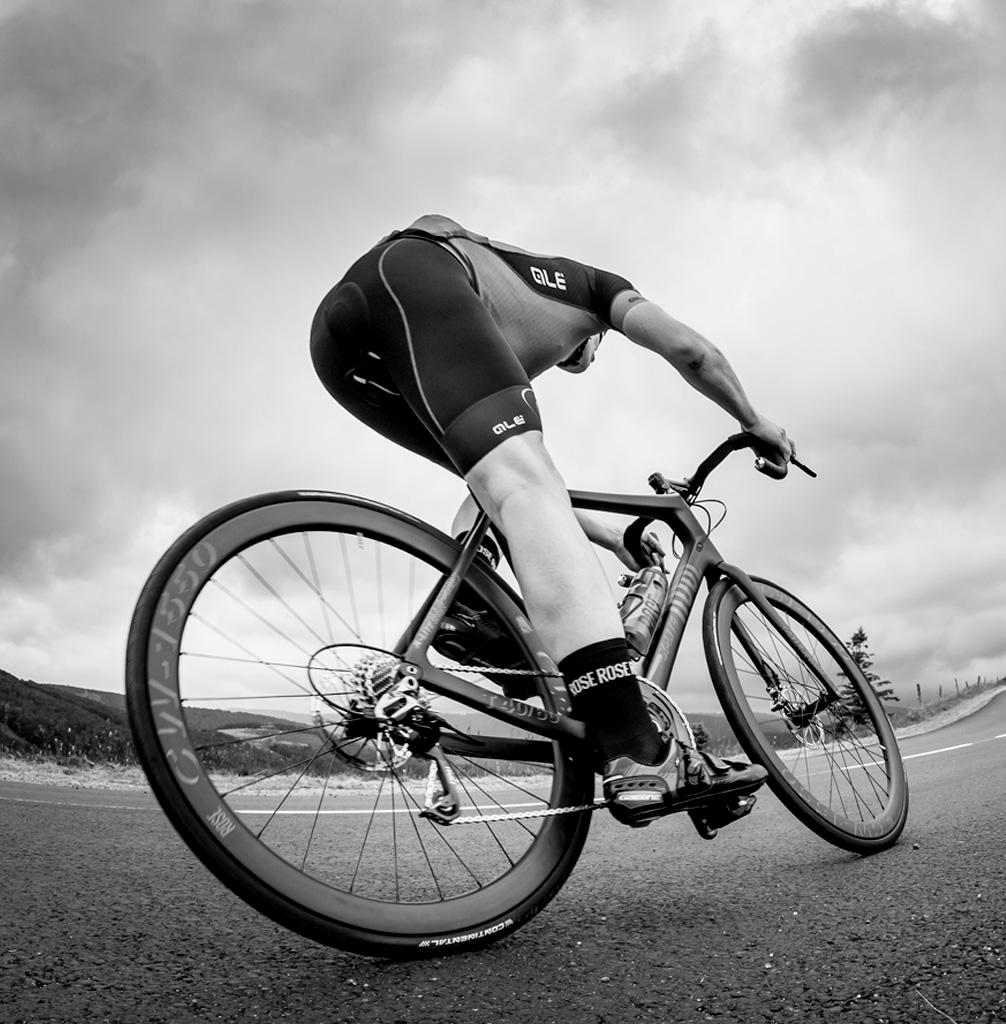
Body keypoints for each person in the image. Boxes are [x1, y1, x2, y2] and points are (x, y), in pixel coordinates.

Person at [310, 214, 792, 827]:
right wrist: (753, 420)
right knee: (519, 478)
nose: (577, 361)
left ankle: (479, 618)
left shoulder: (500, 327)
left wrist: (612, 536)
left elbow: (532, 489)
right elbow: (693, 351)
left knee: (499, 480)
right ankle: (636, 745)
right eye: (589, 354)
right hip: (415, 276)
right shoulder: (593, 289)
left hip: (341, 345)